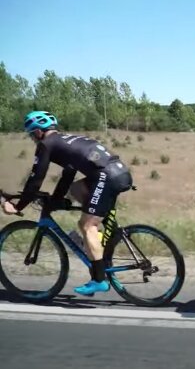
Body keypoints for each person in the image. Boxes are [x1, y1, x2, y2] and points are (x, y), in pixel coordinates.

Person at [1, 111, 133, 296]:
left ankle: (99, 280)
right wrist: (56, 199)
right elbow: (69, 171)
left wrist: (17, 207)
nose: (32, 139)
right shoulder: (65, 140)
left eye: (31, 134)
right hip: (119, 172)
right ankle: (98, 241)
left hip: (106, 177)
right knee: (76, 190)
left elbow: (36, 179)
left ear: (38, 132)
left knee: (86, 225)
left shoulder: (46, 145)